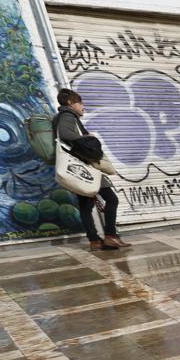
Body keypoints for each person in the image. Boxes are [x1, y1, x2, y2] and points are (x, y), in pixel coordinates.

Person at [55, 88, 128, 250]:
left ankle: (95, 241)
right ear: (70, 103)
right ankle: (110, 236)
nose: (83, 106)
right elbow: (65, 135)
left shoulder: (67, 116)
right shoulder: (67, 116)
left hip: (78, 167)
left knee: (86, 206)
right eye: (80, 103)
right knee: (111, 199)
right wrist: (88, 138)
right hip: (84, 166)